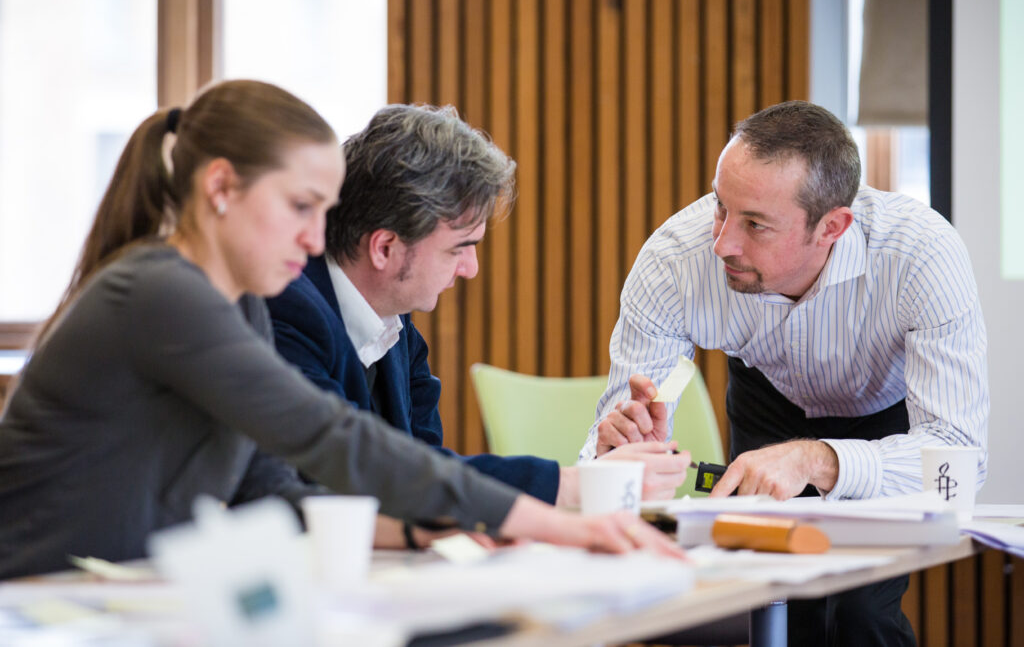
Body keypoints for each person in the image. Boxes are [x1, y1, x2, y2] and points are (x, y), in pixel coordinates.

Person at [0, 80, 684, 581]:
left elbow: (274, 493)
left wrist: (429, 529)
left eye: (322, 210)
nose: (314, 235)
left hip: (116, 603)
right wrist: (555, 520)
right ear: (219, 190)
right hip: (40, 604)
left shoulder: (236, 305)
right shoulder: (161, 289)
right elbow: (331, 436)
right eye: (300, 206)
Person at [580, 100, 988, 646]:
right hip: (766, 404)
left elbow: (958, 456)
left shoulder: (921, 255)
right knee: (769, 601)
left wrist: (817, 457)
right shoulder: (676, 259)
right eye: (721, 207)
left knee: (861, 614)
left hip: (889, 422)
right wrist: (619, 454)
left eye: (755, 224)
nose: (723, 242)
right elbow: (615, 433)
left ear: (832, 227)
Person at [266, 104, 689, 530]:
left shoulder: (396, 325)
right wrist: (576, 485)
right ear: (384, 248)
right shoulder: (287, 311)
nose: (471, 269)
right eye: (459, 247)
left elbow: (428, 470)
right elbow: (340, 481)